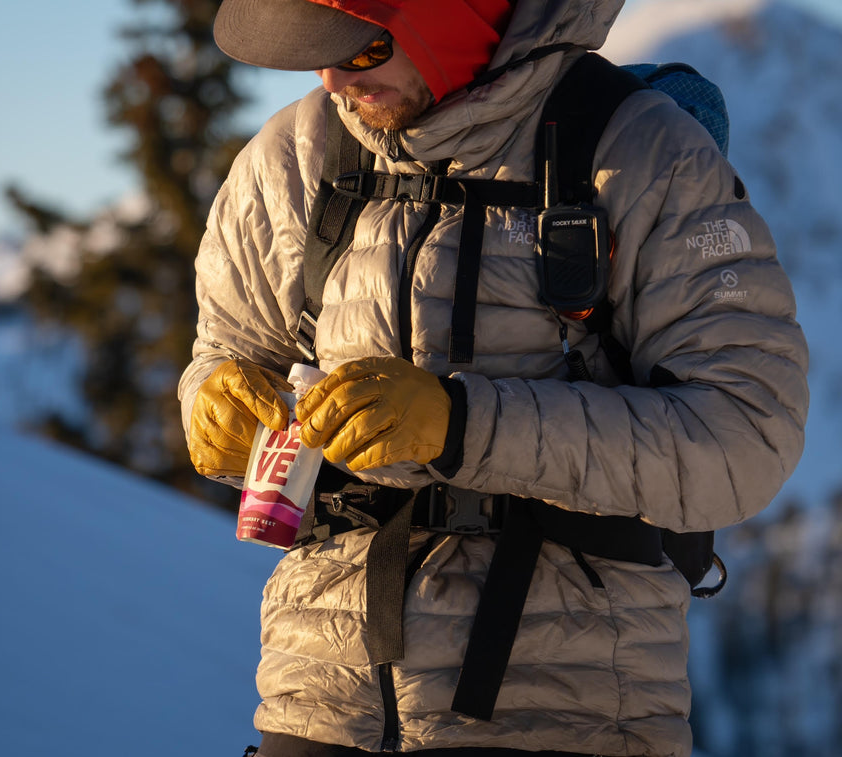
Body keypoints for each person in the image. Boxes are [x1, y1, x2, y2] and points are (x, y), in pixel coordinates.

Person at [178, 0, 809, 755]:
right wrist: (211, 402)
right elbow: (227, 347)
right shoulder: (294, 159)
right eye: (318, 50)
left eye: (361, 47)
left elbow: (743, 436)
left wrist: (461, 426)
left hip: (566, 708)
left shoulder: (640, 153)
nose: (332, 77)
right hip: (316, 702)